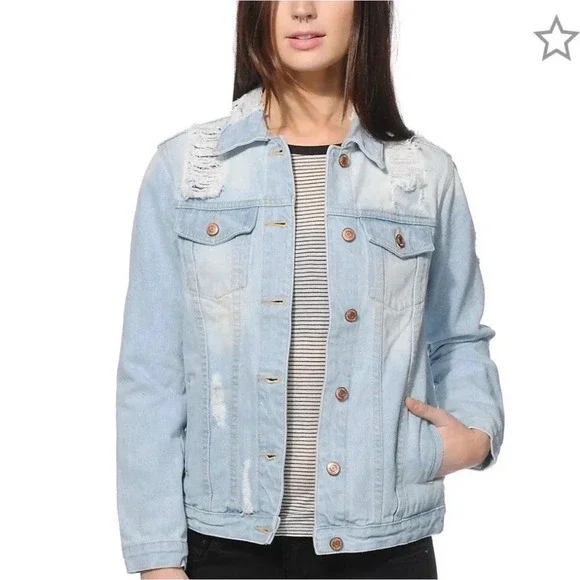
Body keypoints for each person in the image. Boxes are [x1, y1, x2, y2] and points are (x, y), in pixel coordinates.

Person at [115, 1, 505, 578]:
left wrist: (476, 434)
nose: (302, 10)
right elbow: (151, 371)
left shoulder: (421, 175)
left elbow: (458, 335)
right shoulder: (189, 170)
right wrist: (156, 559)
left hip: (384, 545)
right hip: (225, 544)